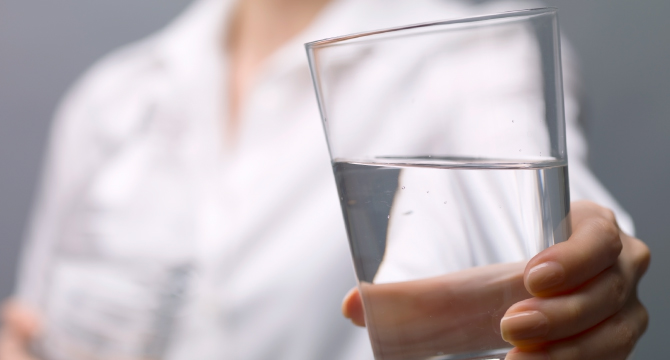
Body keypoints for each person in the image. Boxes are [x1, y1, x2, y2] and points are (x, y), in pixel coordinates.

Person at [0, 0, 650, 359]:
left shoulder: (470, 59)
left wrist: (589, 269)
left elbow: (553, 206)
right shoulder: (110, 97)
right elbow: (35, 324)